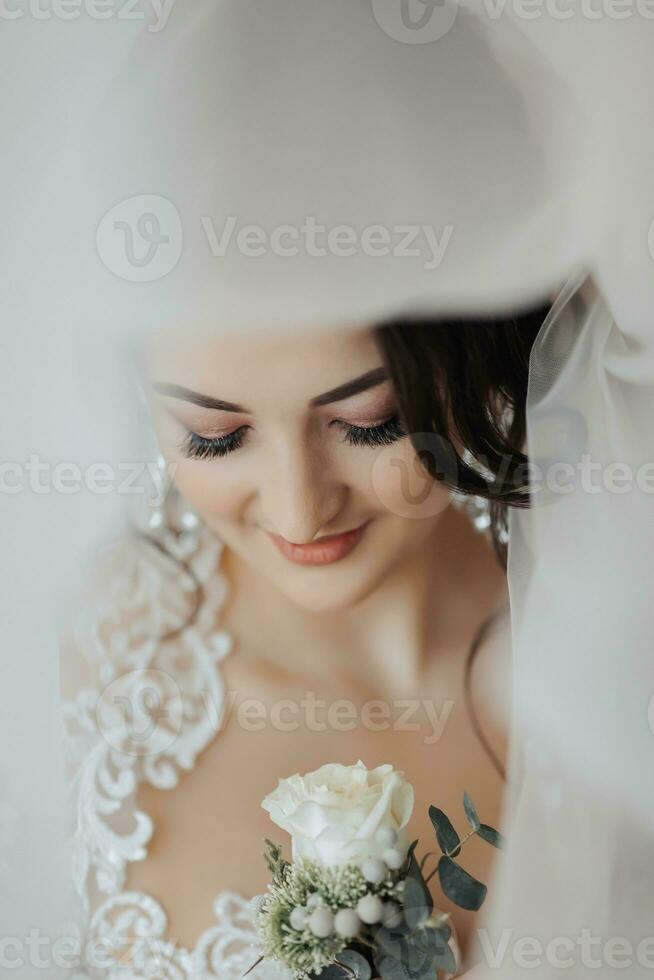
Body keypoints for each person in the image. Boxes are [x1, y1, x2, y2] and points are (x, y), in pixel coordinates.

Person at [60, 304, 547, 978]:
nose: (300, 511)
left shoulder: (610, 649)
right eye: (216, 436)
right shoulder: (79, 682)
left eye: (373, 422)